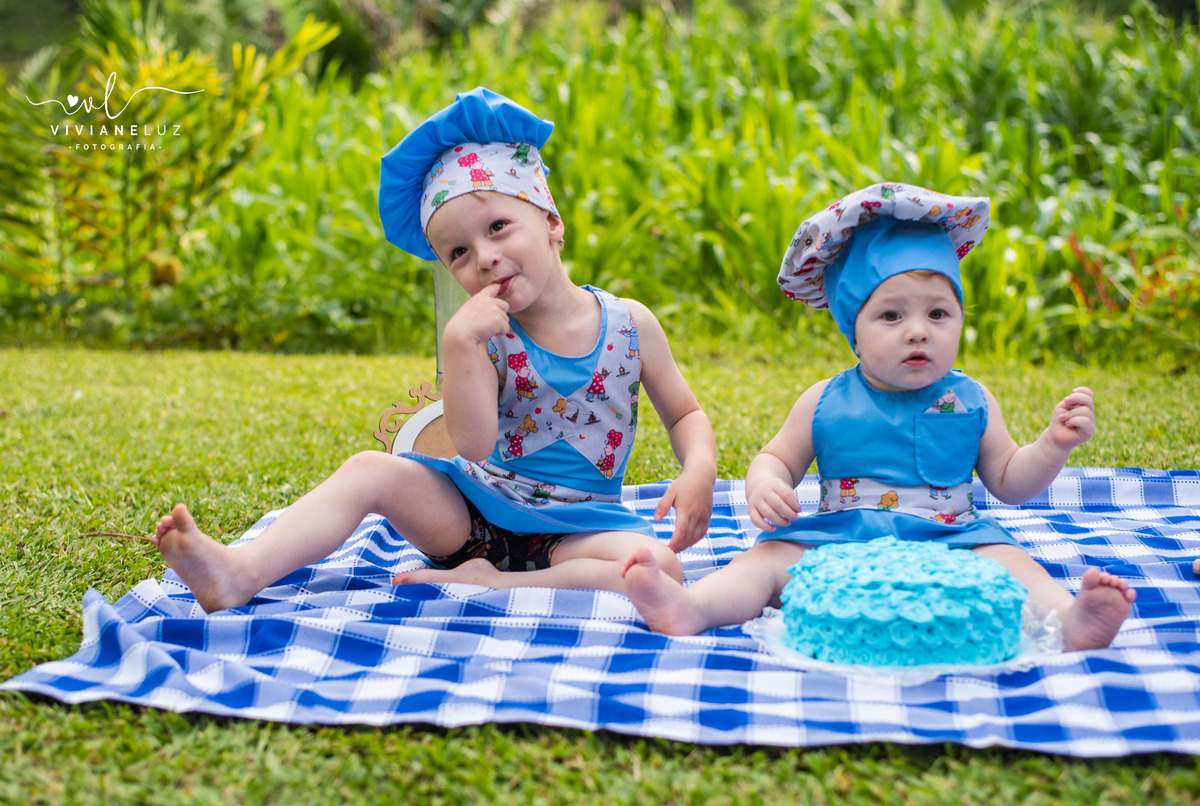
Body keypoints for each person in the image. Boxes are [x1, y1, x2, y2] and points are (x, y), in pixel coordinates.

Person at [150, 88, 717, 613]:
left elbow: (685, 413)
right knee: (371, 469)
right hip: (473, 518)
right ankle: (240, 572)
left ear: (551, 222)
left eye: (498, 226)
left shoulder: (629, 324)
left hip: (581, 532)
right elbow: (472, 443)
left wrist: (698, 467)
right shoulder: (485, 335)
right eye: (459, 254)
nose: (485, 258)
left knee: (660, 566)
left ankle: (497, 583)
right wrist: (460, 343)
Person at [621, 182, 1135, 652]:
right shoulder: (825, 399)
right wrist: (764, 484)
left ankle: (1069, 618)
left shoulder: (971, 399)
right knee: (765, 564)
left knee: (1010, 564)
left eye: (938, 313)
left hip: (951, 538)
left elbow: (1008, 482)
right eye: (891, 315)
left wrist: (1052, 446)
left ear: (959, 319)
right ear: (853, 327)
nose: (918, 331)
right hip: (838, 537)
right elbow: (777, 458)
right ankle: (693, 607)